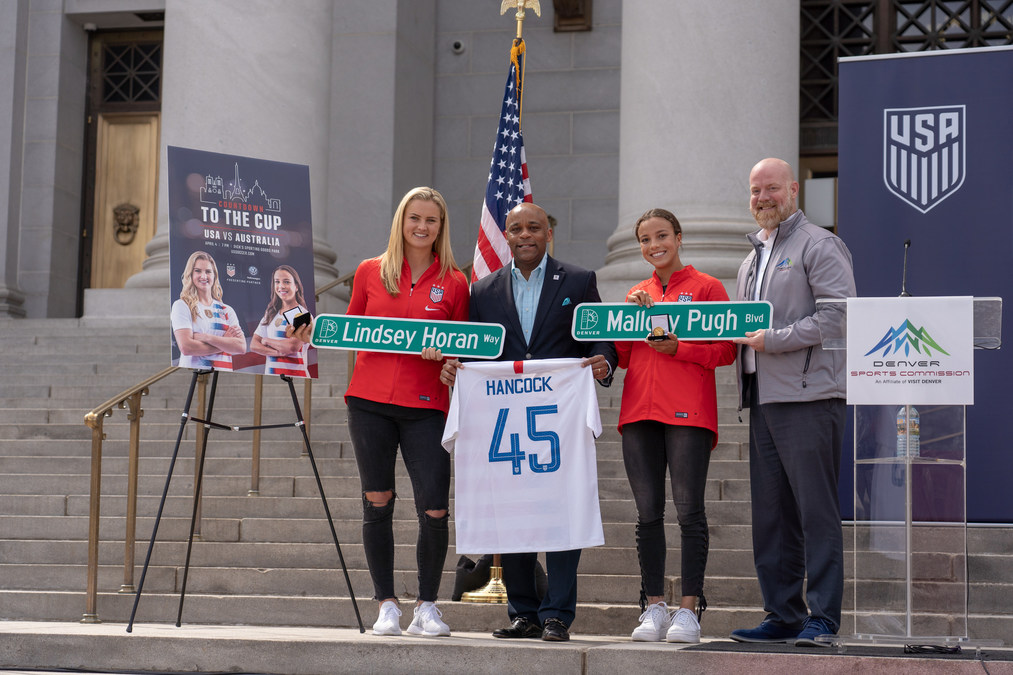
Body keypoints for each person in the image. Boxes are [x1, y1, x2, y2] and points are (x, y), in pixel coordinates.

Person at [436, 202, 617, 642]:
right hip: (504, 420)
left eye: (533, 227)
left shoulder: (578, 280)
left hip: (558, 418)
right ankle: (524, 612)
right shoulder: (483, 290)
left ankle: (557, 614)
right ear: (507, 237)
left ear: (547, 233)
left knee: (563, 512)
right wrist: (456, 368)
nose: (525, 235)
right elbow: (475, 350)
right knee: (512, 511)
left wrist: (603, 363)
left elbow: (600, 338)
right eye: (516, 228)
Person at [295, 187, 469, 637]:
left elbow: (466, 348)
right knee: (378, 500)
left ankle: (427, 607)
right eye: (415, 218)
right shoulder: (371, 272)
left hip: (427, 405)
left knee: (434, 507)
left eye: (431, 220)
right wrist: (314, 331)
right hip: (370, 403)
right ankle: (386, 604)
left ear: (441, 227)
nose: (422, 227)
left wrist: (449, 361)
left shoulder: (455, 282)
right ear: (401, 221)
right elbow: (347, 329)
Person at [729, 158, 856, 647]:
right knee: (772, 515)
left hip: (810, 398)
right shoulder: (751, 257)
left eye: (772, 189)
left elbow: (839, 318)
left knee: (815, 512)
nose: (763, 198)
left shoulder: (819, 244)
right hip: (762, 398)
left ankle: (822, 618)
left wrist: (776, 339)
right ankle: (782, 614)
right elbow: (740, 328)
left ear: (794, 191)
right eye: (756, 190)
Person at [619, 208, 736, 643]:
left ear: (679, 237)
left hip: (689, 411)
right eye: (645, 240)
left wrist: (680, 349)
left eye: (661, 236)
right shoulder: (636, 292)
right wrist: (624, 329)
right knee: (647, 513)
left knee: (689, 511)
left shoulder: (707, 287)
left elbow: (726, 350)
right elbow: (626, 355)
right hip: (638, 413)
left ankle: (689, 611)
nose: (654, 246)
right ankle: (653, 609)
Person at [171, 250, 246, 370]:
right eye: (198, 271)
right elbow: (186, 347)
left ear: (214, 275)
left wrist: (206, 338)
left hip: (223, 374)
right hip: (193, 374)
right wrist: (225, 342)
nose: (203, 276)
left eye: (208, 271)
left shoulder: (227, 310)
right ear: (190, 274)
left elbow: (241, 347)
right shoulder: (182, 305)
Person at [250, 265, 311, 377]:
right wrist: (277, 352)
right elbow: (254, 344)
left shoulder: (303, 314)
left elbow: (292, 347)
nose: (281, 286)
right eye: (277, 282)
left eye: (286, 282)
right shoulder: (270, 313)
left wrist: (266, 341)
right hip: (271, 375)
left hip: (296, 377)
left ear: (296, 286)